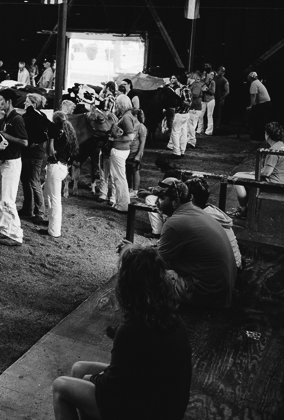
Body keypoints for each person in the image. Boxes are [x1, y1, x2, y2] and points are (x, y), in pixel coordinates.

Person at [51, 246, 191, 420]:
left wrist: (93, 379)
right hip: (162, 402)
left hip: (148, 410)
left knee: (61, 387)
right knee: (79, 369)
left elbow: (112, 387)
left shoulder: (131, 330)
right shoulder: (172, 318)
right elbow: (128, 375)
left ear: (127, 284)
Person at [150, 177, 237, 308]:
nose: (157, 202)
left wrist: (130, 251)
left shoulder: (175, 222)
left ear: (175, 202)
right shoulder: (196, 211)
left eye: (162, 199)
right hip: (222, 289)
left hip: (209, 292)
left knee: (144, 273)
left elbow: (155, 261)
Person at [229, 122, 284, 220]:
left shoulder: (273, 150)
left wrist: (251, 174)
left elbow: (267, 173)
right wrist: (250, 173)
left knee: (236, 178)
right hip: (283, 180)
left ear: (267, 134)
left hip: (274, 182)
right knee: (241, 174)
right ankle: (246, 206)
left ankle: (243, 209)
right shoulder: (282, 145)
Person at [186, 176, 243, 273]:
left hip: (225, 273)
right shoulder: (210, 210)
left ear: (190, 197)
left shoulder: (198, 218)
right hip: (236, 266)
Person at [0, 89, 28, 246]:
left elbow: (24, 142)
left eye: (1, 100)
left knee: (8, 200)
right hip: (5, 161)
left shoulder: (17, 119)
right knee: (2, 198)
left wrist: (6, 136)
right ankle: (6, 230)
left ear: (8, 101)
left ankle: (15, 235)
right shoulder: (6, 118)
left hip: (12, 163)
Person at [41, 111, 78, 238]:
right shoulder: (68, 133)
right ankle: (52, 226)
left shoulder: (57, 134)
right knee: (51, 197)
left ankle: (55, 230)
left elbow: (51, 152)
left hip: (55, 166)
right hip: (62, 166)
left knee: (55, 200)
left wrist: (50, 138)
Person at [19, 93, 50, 225]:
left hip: (35, 154)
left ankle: (40, 212)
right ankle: (28, 208)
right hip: (28, 153)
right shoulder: (32, 116)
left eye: (27, 102)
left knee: (33, 181)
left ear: (34, 104)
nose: (24, 104)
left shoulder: (39, 117)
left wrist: (33, 142)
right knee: (26, 180)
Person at [108, 95, 137, 213]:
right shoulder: (130, 115)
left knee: (119, 178)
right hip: (122, 149)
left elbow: (131, 136)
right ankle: (122, 203)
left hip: (120, 149)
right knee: (120, 177)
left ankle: (123, 205)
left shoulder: (126, 117)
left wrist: (114, 140)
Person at [126, 109, 148, 192]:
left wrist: (138, 154)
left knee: (135, 170)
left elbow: (143, 142)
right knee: (128, 170)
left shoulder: (141, 127)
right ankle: (129, 188)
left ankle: (135, 190)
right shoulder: (131, 126)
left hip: (135, 152)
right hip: (128, 152)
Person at [246, 71, 272, 141]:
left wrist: (251, 106)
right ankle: (261, 136)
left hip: (263, 104)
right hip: (265, 103)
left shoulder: (254, 84)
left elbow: (253, 96)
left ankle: (259, 136)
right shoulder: (258, 82)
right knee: (261, 120)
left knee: (259, 120)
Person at [186, 71, 204, 146]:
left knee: (191, 126)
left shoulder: (196, 85)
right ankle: (190, 140)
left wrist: (186, 92)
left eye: (192, 77)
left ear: (196, 78)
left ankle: (192, 141)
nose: (189, 78)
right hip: (194, 108)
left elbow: (195, 94)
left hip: (194, 108)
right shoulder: (194, 85)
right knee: (191, 125)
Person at [213, 65, 230, 133]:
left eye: (224, 71)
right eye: (222, 71)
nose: (223, 72)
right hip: (213, 98)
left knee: (218, 113)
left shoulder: (224, 80)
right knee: (212, 113)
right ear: (218, 71)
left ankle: (216, 127)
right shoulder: (214, 78)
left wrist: (221, 98)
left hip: (219, 99)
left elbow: (227, 91)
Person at [200, 65, 217, 135]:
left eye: (213, 75)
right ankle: (200, 129)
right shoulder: (203, 81)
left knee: (209, 115)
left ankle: (209, 131)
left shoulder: (213, 82)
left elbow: (213, 92)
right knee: (200, 115)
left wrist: (207, 89)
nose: (213, 76)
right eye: (211, 74)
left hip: (210, 100)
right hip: (203, 100)